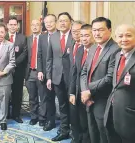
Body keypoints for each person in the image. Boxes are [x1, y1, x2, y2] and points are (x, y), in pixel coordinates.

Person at [80, 17, 119, 143]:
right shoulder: (93, 48)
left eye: (101, 30)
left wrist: (88, 90)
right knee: (93, 131)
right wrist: (84, 90)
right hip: (88, 97)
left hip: (104, 99)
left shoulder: (116, 50)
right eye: (94, 30)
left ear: (110, 30)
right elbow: (84, 72)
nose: (97, 33)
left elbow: (109, 78)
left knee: (104, 133)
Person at [104, 24, 135, 143]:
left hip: (132, 117)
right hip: (112, 112)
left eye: (128, 35)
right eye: (120, 36)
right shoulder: (117, 55)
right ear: (115, 38)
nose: (124, 39)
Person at [46, 12, 75, 141]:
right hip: (57, 77)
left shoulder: (75, 36)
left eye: (65, 21)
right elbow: (49, 59)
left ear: (70, 22)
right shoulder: (53, 37)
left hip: (73, 78)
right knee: (62, 105)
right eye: (60, 21)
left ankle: (75, 130)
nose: (63, 23)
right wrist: (49, 77)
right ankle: (64, 130)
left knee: (74, 106)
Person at [69, 24, 94, 143]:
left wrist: (89, 92)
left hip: (92, 94)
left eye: (87, 35)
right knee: (80, 121)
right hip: (78, 92)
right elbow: (74, 73)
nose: (84, 38)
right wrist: (72, 93)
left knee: (91, 125)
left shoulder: (96, 51)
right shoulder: (79, 50)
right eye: (82, 35)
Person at [37, 14, 57, 130]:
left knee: (62, 100)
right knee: (48, 98)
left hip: (59, 73)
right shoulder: (42, 37)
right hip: (45, 73)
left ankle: (66, 123)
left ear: (56, 22)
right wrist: (40, 70)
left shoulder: (60, 35)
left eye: (51, 22)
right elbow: (39, 55)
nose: (48, 24)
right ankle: (51, 121)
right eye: (46, 23)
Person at [6, 17, 28, 123]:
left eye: (15, 24)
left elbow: (24, 53)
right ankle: (4, 114)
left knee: (17, 93)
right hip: (4, 70)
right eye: (11, 24)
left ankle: (16, 114)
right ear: (7, 25)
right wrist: (7, 66)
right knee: (4, 93)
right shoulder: (2, 36)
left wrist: (13, 64)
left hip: (18, 70)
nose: (13, 26)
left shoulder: (22, 38)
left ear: (17, 26)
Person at [26, 19, 45, 126]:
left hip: (41, 72)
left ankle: (42, 118)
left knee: (42, 97)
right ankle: (34, 117)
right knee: (32, 97)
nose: (34, 27)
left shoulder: (44, 38)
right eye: (32, 25)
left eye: (37, 25)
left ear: (41, 26)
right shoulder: (27, 39)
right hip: (30, 72)